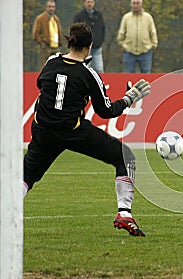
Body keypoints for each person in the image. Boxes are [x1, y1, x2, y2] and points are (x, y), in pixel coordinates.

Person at [23, 22, 151, 236]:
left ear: (70, 42)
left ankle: (6, 213)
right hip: (73, 131)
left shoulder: (52, 61)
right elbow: (107, 111)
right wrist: (130, 98)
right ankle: (124, 213)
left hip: (43, 130)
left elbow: (40, 84)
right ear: (89, 47)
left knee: (26, 176)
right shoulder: (88, 74)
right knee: (125, 157)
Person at [117, 0, 158, 73]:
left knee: (146, 75)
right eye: (134, 3)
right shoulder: (126, 17)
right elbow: (121, 32)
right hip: (129, 51)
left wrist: (153, 45)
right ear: (131, 5)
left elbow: (153, 31)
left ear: (141, 5)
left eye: (137, 3)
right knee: (129, 75)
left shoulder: (148, 17)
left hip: (146, 51)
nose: (135, 5)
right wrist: (122, 44)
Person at [73, 0, 106, 73]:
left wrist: (101, 40)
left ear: (94, 3)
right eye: (88, 2)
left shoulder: (99, 15)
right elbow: (74, 31)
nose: (89, 4)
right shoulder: (79, 16)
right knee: (85, 68)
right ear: (84, 3)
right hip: (84, 47)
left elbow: (103, 29)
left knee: (99, 69)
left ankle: (100, 84)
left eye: (91, 2)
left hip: (97, 47)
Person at [32, 0, 63, 70]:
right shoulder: (40, 18)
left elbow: (59, 31)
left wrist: (60, 42)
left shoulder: (56, 18)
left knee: (56, 68)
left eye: (53, 7)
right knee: (45, 68)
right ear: (46, 8)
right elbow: (35, 34)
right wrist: (42, 43)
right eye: (49, 7)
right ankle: (44, 81)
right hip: (46, 47)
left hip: (56, 47)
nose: (51, 8)